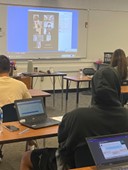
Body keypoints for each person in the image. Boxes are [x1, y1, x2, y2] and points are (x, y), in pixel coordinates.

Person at [20, 66, 128, 170]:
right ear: (118, 88)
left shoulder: (76, 117)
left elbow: (62, 143)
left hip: (76, 165)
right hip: (118, 166)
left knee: (27, 157)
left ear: (94, 88)